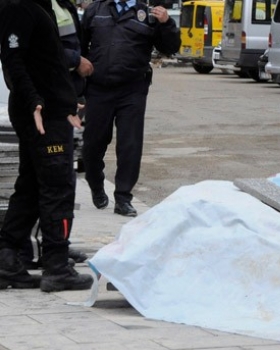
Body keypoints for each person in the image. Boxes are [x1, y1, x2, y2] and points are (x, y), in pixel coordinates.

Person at [0, 0, 94, 292]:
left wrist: (66, 99)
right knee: (57, 190)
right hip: (43, 117)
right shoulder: (19, 7)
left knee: (30, 188)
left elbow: (46, 64)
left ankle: (6, 258)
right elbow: (13, 60)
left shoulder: (39, 6)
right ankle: (56, 265)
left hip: (51, 111)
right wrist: (35, 102)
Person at [81, 0, 181, 217]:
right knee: (92, 144)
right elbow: (79, 48)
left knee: (130, 146)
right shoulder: (95, 11)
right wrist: (77, 89)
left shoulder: (148, 14)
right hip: (98, 89)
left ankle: (123, 197)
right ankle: (96, 185)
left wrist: (167, 24)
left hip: (132, 90)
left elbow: (170, 48)